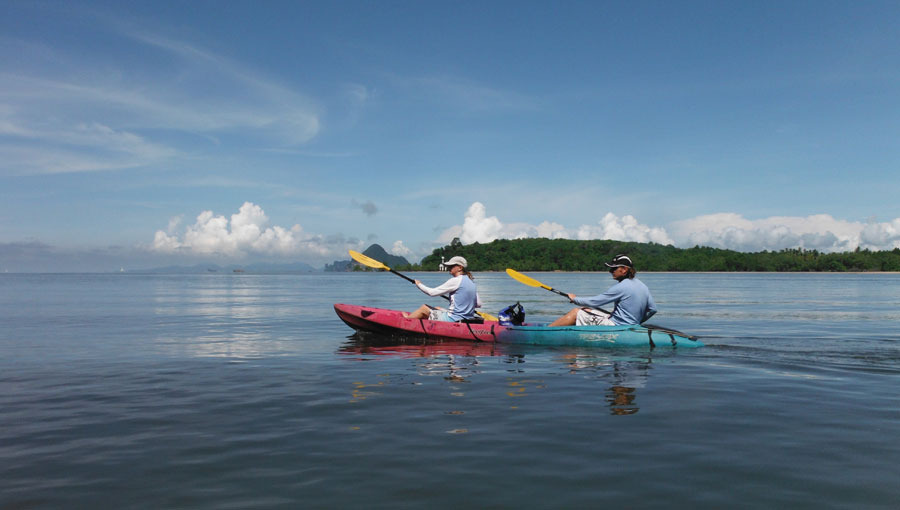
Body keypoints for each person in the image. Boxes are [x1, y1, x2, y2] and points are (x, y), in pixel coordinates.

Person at [548, 254, 657, 327]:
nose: (610, 271)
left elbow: (595, 302)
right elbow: (653, 309)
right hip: (629, 324)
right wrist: (636, 323)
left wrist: (575, 299)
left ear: (624, 270)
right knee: (585, 309)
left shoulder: (622, 286)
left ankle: (546, 331)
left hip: (617, 326)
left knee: (576, 312)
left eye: (614, 268)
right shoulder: (643, 286)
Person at [403, 256, 483, 321]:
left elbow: (432, 293)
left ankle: (407, 320)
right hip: (468, 317)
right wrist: (460, 302)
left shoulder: (455, 281)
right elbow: (478, 304)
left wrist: (419, 284)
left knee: (424, 308)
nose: (448, 268)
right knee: (437, 308)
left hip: (454, 319)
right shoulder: (471, 282)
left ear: (460, 267)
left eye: (451, 266)